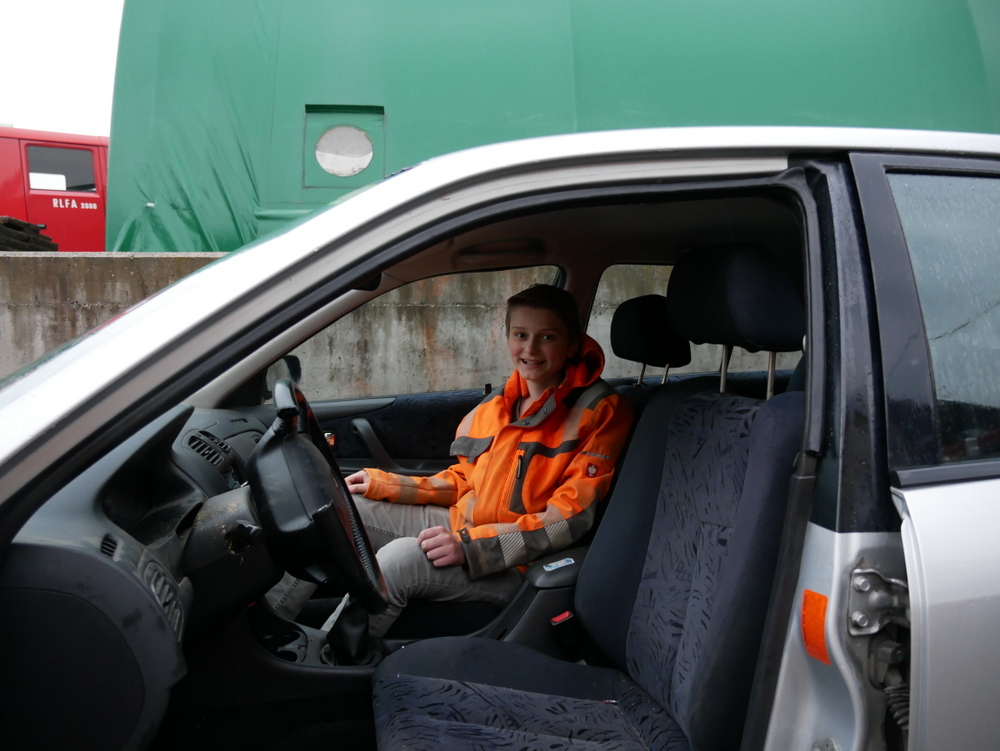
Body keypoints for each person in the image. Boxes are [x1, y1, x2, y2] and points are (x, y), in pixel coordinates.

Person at [339, 284, 634, 638]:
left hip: (519, 564)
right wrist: (384, 484)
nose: (530, 349)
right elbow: (465, 479)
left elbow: (568, 520)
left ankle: (334, 658)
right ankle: (285, 641)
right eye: (520, 335)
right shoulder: (500, 404)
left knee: (401, 560)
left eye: (547, 337)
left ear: (572, 345)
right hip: (463, 526)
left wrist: (472, 546)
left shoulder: (600, 411)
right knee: (343, 510)